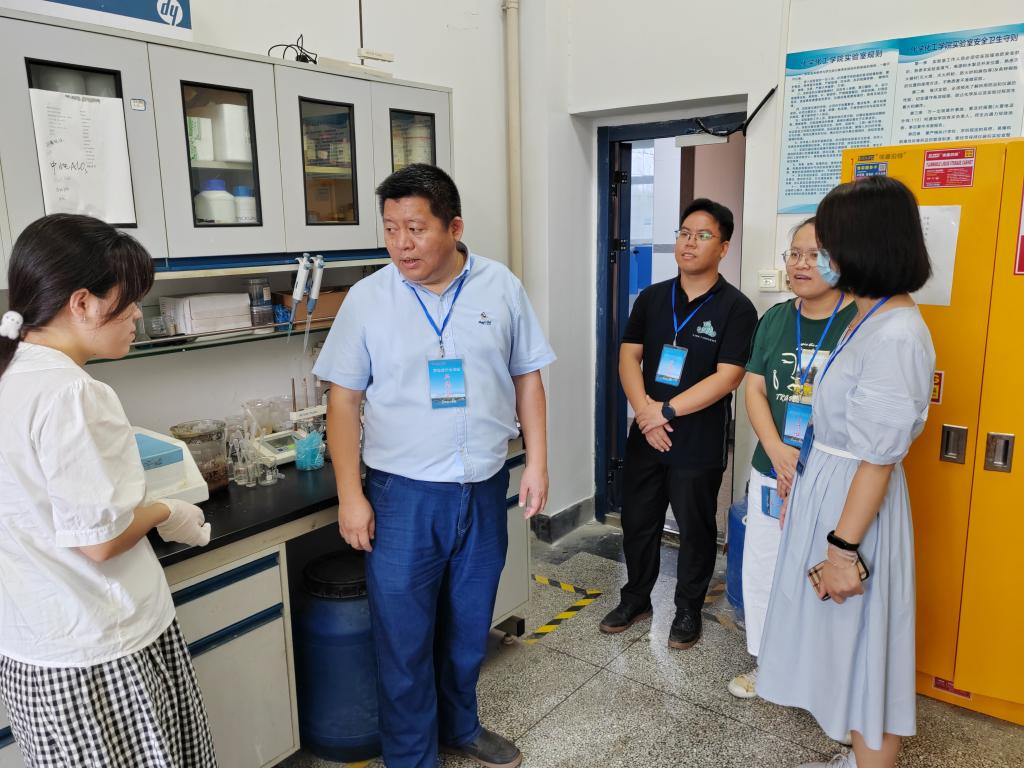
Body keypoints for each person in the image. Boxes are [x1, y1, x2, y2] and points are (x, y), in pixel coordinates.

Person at [313, 164, 555, 768]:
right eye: (391, 229)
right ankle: (411, 756)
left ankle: (460, 726)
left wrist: (537, 462)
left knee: (470, 627)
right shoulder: (369, 299)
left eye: (416, 229)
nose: (402, 244)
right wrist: (350, 495)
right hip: (402, 496)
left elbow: (527, 378)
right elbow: (342, 401)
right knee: (403, 638)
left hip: (484, 488)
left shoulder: (501, 287)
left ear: (454, 228)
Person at [0, 214, 216, 766]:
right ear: (82, 302)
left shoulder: (11, 375)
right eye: (129, 299)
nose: (138, 314)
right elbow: (100, 540)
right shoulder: (73, 393)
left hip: (34, 653)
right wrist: (168, 510)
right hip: (103, 653)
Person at [756, 175, 935, 768]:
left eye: (828, 243)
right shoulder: (868, 316)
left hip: (854, 511)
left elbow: (876, 459)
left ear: (864, 245)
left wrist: (841, 551)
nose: (817, 256)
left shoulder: (897, 334)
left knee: (867, 661)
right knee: (846, 650)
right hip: (832, 493)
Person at [600, 198, 757, 649]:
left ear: (723, 247)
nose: (689, 243)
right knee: (639, 521)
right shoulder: (653, 298)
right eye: (684, 233)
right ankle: (636, 598)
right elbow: (629, 356)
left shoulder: (737, 308)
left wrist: (664, 412)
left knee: (696, 527)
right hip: (646, 434)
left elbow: (729, 376)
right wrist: (646, 412)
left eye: (702, 235)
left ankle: (688, 608)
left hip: (697, 438)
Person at [727, 218, 856, 700]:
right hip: (771, 469)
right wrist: (779, 452)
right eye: (794, 254)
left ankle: (825, 680)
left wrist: (806, 463)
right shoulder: (776, 318)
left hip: (831, 477)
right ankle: (768, 664)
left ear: (842, 261)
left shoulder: (859, 321)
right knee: (765, 569)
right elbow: (755, 389)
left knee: (823, 573)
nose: (801, 264)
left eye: (815, 254)